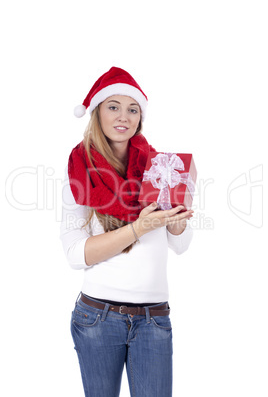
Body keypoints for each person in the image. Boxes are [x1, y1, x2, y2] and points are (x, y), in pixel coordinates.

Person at [60, 67, 194, 397]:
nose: (124, 116)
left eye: (132, 109)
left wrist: (177, 226)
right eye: (113, 106)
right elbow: (77, 255)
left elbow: (180, 245)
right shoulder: (80, 170)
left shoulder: (162, 167)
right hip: (97, 319)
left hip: (154, 320)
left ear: (141, 117)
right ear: (97, 113)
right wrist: (137, 228)